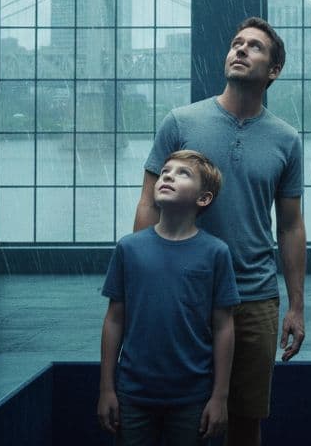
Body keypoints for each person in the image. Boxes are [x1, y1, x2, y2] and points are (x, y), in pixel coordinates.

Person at [136, 17, 305, 446]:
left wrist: (296, 306)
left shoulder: (287, 140)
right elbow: (148, 203)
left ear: (274, 71)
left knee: (245, 423)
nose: (240, 50)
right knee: (183, 418)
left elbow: (289, 226)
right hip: (183, 294)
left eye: (254, 47)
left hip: (254, 297)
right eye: (236, 43)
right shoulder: (180, 121)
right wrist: (140, 284)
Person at [99, 150, 240, 445]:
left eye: (182, 173)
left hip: (193, 397)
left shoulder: (216, 253)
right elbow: (114, 320)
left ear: (203, 198)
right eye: (165, 171)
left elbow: (224, 327)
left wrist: (219, 397)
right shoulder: (129, 249)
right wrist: (106, 389)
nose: (168, 175)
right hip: (133, 394)